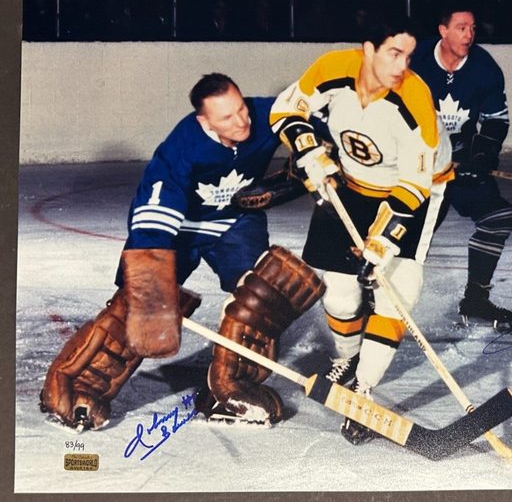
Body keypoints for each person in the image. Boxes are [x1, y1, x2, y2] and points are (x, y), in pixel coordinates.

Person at [39, 73, 325, 431]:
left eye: (241, 109)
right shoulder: (183, 147)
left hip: (235, 222)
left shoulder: (267, 113)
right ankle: (82, 384)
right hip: (181, 227)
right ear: (203, 120)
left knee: (265, 295)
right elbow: (155, 210)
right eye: (227, 117)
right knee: (144, 303)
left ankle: (230, 389)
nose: (241, 122)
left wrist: (313, 155)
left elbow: (320, 114)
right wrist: (149, 275)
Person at [269, 15, 449, 444]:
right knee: (340, 290)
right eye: (393, 53)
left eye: (408, 55)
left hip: (416, 194)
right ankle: (347, 360)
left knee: (396, 288)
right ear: (367, 49)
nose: (402, 65)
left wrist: (382, 240)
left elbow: (414, 185)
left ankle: (364, 391)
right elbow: (286, 108)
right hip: (350, 185)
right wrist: (308, 147)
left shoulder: (415, 100)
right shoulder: (332, 69)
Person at [411, 3, 512, 331]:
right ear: (443, 30)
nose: (469, 35)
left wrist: (483, 157)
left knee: (498, 218)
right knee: (406, 240)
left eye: (472, 28)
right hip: (417, 167)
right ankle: (375, 303)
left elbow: (496, 121)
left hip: (459, 163)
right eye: (461, 27)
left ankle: (476, 298)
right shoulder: (414, 61)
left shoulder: (484, 68)